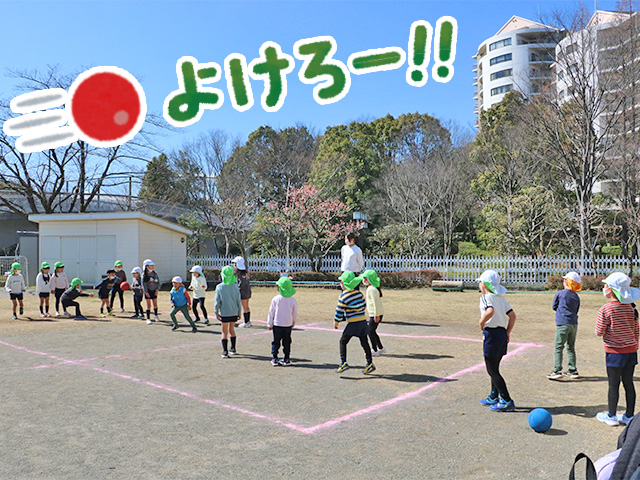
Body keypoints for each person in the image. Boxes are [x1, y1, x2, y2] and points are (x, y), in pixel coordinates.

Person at [596, 272, 640, 427]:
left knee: (613, 384)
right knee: (629, 383)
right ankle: (629, 415)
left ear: (612, 290)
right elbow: (636, 331)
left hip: (614, 353)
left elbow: (599, 331)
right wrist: (635, 346)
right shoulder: (631, 308)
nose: (604, 288)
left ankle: (611, 415)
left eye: (606, 286)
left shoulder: (606, 309)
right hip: (631, 352)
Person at [477, 270, 517, 412]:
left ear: (485, 285)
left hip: (492, 335)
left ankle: (506, 399)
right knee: (495, 367)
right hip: (501, 334)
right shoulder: (502, 299)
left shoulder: (486, 297)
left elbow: (490, 311)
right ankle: (494, 395)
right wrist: (507, 332)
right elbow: (512, 316)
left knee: (492, 370)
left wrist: (481, 323)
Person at [334, 271, 376, 374]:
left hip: (353, 323)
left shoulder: (343, 296)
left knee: (343, 341)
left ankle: (343, 362)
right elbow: (364, 306)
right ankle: (369, 363)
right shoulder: (359, 293)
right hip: (362, 321)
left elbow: (339, 311)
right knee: (364, 342)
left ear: (344, 284)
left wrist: (336, 321)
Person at [548, 272, 582, 380]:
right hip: (573, 324)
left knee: (558, 347)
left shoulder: (560, 293)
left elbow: (554, 306)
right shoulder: (576, 296)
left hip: (562, 323)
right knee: (570, 347)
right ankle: (573, 370)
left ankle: (556, 370)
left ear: (567, 282)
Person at [267, 276, 298, 366]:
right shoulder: (292, 300)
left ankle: (274, 358)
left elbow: (271, 312)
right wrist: (293, 322)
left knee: (276, 341)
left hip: (277, 324)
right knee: (287, 342)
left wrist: (269, 323)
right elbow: (294, 313)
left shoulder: (276, 299)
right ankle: (286, 358)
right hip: (288, 324)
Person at [214, 266, 242, 358]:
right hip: (234, 312)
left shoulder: (219, 287)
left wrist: (216, 313)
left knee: (224, 332)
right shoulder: (235, 287)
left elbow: (217, 302)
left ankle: (225, 351)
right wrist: (239, 312)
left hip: (225, 313)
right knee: (232, 330)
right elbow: (238, 301)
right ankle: (233, 348)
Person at [362, 269, 385, 357]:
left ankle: (374, 350)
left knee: (370, 332)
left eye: (365, 278)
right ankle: (380, 348)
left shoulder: (371, 289)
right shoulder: (372, 288)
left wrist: (376, 315)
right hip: (376, 313)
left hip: (375, 314)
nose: (363, 280)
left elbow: (375, 303)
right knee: (372, 331)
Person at [233, 256, 252, 328]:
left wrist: (236, 288)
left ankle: (246, 322)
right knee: (246, 307)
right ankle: (248, 321)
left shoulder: (238, 274)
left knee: (244, 307)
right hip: (247, 291)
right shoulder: (245, 272)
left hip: (242, 292)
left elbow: (240, 284)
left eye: (235, 263)